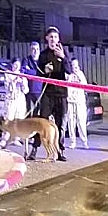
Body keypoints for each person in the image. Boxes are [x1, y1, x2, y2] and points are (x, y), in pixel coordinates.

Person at [29, 27, 72, 162]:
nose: (53, 39)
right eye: (51, 37)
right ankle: (34, 149)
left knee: (60, 124)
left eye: (55, 37)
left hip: (61, 94)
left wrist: (63, 58)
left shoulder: (63, 52)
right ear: (47, 39)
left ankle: (59, 151)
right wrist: (45, 71)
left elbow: (69, 71)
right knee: (42, 122)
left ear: (59, 39)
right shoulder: (43, 55)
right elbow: (38, 74)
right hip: (48, 93)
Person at [2, 57, 29, 146]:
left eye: (18, 65)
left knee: (19, 118)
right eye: (15, 65)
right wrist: (14, 81)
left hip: (20, 99)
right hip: (11, 99)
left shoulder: (22, 76)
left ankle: (16, 138)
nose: (16, 67)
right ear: (12, 65)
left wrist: (22, 83)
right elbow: (7, 88)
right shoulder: (8, 74)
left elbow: (26, 90)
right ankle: (5, 138)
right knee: (9, 118)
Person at [65, 58, 89, 149]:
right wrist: (70, 77)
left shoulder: (81, 75)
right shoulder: (69, 75)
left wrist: (79, 77)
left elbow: (86, 87)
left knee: (81, 122)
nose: (74, 67)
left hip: (80, 102)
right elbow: (66, 86)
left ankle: (84, 142)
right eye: (73, 65)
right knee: (71, 122)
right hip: (71, 102)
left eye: (76, 65)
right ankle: (72, 141)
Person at [22, 41, 43, 116]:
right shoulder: (26, 60)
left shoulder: (43, 60)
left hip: (39, 90)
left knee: (38, 111)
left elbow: (45, 73)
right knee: (27, 111)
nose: (35, 51)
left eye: (37, 49)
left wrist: (30, 71)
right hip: (29, 90)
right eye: (33, 49)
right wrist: (37, 73)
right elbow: (23, 71)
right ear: (30, 50)